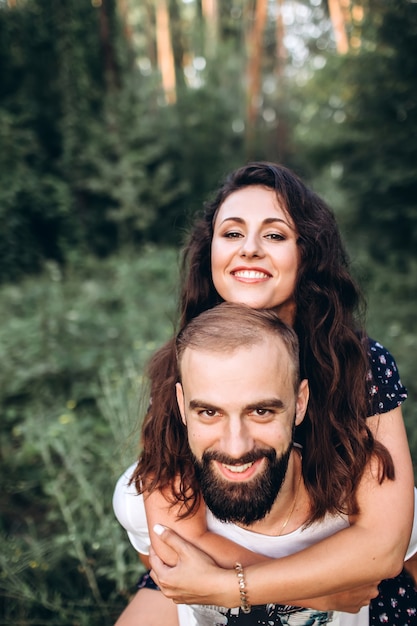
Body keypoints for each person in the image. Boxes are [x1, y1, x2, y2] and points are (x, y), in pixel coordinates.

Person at [113, 162, 416, 625]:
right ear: (210, 250)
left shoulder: (358, 363)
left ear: (306, 253)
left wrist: (232, 587)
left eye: (274, 235)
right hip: (242, 564)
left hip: (342, 584)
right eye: (232, 233)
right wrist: (316, 591)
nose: (249, 249)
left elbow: (382, 547)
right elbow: (173, 533)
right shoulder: (183, 359)